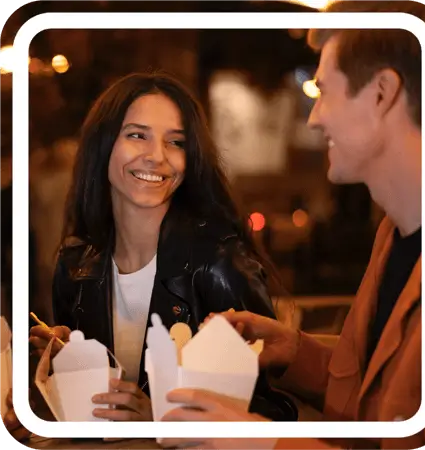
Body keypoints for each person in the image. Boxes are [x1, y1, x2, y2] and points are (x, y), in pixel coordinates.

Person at [159, 1, 425, 449]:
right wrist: (295, 352)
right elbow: (387, 401)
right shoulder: (396, 234)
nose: (315, 118)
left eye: (324, 90)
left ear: (382, 92)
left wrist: (261, 442)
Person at [3, 72, 297, 440]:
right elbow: (90, 417)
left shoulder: (220, 264)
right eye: (137, 135)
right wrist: (47, 388)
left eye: (175, 142)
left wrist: (162, 416)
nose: (157, 156)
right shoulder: (77, 264)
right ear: (103, 145)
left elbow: (276, 413)